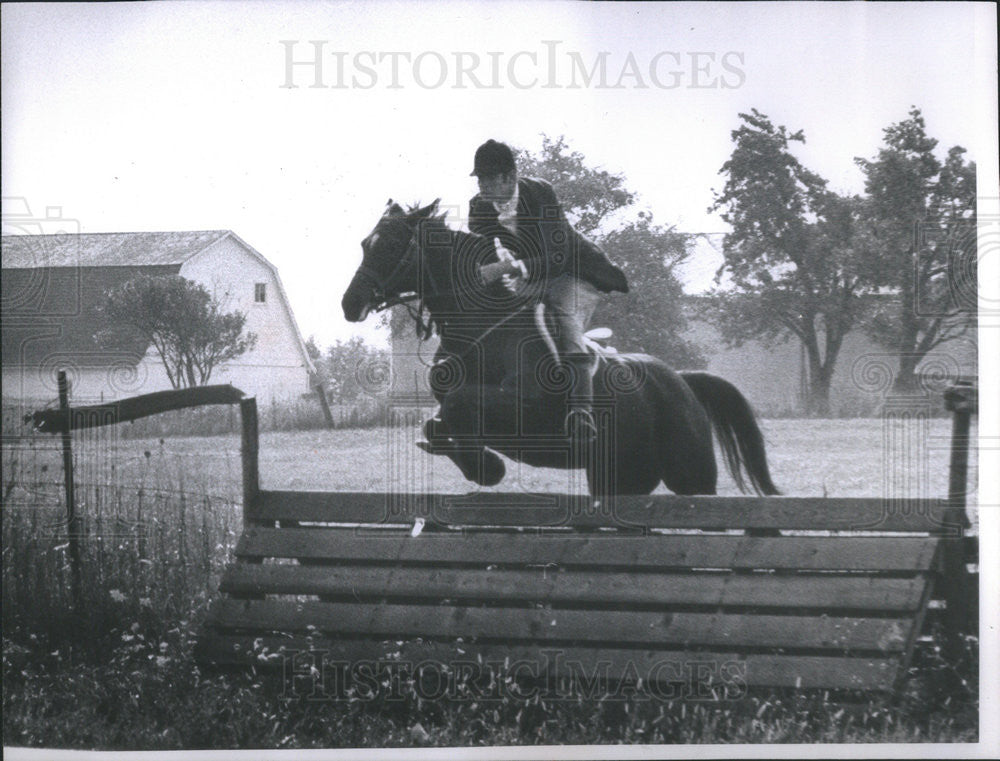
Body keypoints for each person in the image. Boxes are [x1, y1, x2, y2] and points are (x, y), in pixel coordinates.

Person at [467, 139, 629, 443]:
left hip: (573, 271)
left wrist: (503, 269)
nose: (483, 186)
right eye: (480, 179)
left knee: (565, 314)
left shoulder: (539, 193)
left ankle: (582, 412)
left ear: (511, 177)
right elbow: (481, 254)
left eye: (490, 179)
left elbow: (557, 258)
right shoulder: (478, 207)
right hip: (533, 275)